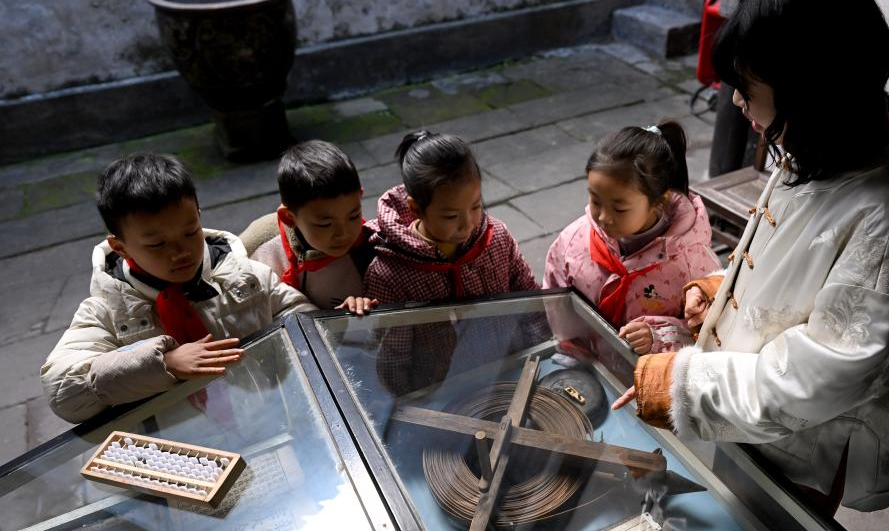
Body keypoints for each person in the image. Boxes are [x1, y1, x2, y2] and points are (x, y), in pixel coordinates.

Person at [613, 0, 889, 513]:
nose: (737, 102)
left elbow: (819, 377)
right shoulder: (826, 144)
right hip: (759, 416)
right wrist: (721, 290)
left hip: (811, 444)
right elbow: (793, 265)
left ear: (813, 92)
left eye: (748, 89)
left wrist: (683, 385)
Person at [40, 153, 315, 423]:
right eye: (158, 244)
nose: (180, 252)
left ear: (198, 215)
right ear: (120, 248)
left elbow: (299, 316)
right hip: (182, 455)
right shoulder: (108, 312)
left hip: (272, 420)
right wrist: (162, 364)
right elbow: (63, 392)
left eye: (189, 231)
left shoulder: (245, 276)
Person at [364, 131, 541, 396]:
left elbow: (529, 297)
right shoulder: (390, 274)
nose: (468, 224)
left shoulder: (497, 237)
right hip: (441, 391)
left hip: (509, 368)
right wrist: (408, 403)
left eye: (475, 206)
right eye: (450, 216)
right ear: (415, 209)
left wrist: (540, 354)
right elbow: (393, 355)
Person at [543, 119, 720, 354]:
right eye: (595, 200)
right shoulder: (575, 238)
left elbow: (710, 331)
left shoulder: (693, 263)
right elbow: (554, 297)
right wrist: (569, 347)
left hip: (644, 378)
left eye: (619, 209)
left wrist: (660, 336)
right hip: (581, 363)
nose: (604, 218)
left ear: (659, 201)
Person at [248, 140, 377, 314]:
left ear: (360, 197)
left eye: (354, 216)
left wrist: (365, 305)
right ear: (288, 218)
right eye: (325, 224)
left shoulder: (371, 248)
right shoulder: (262, 253)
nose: (343, 233)